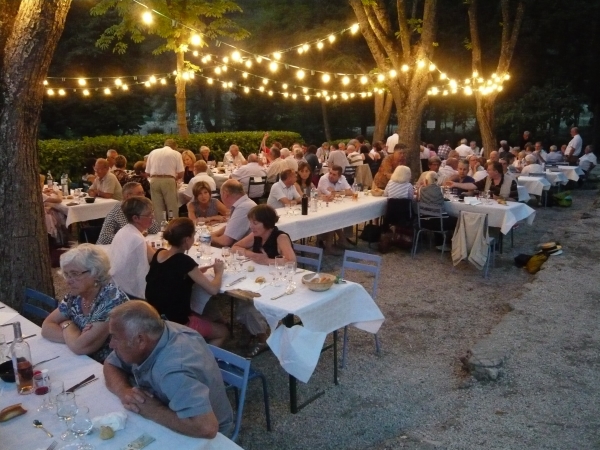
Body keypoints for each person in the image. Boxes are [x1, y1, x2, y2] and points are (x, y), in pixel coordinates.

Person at [103, 301, 233, 438]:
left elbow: (207, 428)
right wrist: (124, 391)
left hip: (209, 434)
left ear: (140, 340)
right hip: (176, 410)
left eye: (115, 338)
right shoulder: (155, 332)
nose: (111, 345)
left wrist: (153, 410)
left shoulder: (174, 370)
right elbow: (110, 364)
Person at [145, 218, 229, 346]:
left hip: (156, 317)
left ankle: (193, 343)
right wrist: (219, 272)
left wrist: (197, 271)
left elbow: (171, 272)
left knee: (210, 317)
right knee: (223, 331)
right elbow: (213, 290)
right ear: (186, 240)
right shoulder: (184, 261)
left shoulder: (159, 254)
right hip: (178, 323)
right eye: (193, 235)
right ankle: (202, 358)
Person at [41, 244, 129, 363]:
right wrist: (76, 336)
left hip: (112, 367)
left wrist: (67, 325)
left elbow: (81, 347)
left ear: (96, 273)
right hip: (84, 361)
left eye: (75, 274)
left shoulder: (112, 299)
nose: (68, 281)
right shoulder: (75, 296)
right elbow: (46, 327)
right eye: (66, 274)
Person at [231, 205, 296, 356]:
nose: (251, 226)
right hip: (260, 279)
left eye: (255, 223)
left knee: (249, 304)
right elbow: (235, 247)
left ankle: (263, 338)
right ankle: (251, 329)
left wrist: (266, 260)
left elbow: (291, 261)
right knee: (242, 296)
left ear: (266, 223)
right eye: (250, 222)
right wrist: (250, 254)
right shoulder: (256, 235)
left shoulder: (280, 237)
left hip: (279, 281)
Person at [110, 197, 156, 299]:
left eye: (152, 212)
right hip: (131, 292)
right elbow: (155, 260)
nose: (153, 217)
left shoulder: (125, 230)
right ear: (136, 218)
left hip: (117, 284)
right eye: (148, 215)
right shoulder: (137, 238)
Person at [317, 165, 353, 254]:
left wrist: (336, 192)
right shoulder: (324, 179)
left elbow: (350, 192)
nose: (331, 176)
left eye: (334, 174)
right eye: (330, 173)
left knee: (342, 214)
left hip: (335, 206)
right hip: (321, 206)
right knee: (334, 217)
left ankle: (341, 240)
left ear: (339, 176)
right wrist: (338, 193)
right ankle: (337, 242)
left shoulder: (343, 178)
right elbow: (330, 196)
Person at [145, 139, 184, 222]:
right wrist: (175, 178)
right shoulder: (176, 153)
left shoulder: (153, 152)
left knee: (157, 207)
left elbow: (147, 172)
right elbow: (181, 172)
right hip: (168, 179)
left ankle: (160, 229)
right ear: (175, 147)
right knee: (172, 206)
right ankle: (174, 227)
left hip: (154, 180)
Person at [211, 180, 256, 247]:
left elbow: (225, 241)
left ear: (225, 194)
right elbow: (231, 227)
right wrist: (213, 234)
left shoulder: (243, 207)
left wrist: (208, 239)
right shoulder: (245, 203)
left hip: (248, 251)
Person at [446, 161, 518, 201]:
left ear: (496, 171)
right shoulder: (487, 179)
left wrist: (502, 198)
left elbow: (515, 200)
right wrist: (455, 184)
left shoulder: (511, 181)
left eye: (489, 170)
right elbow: (473, 185)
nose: (487, 171)